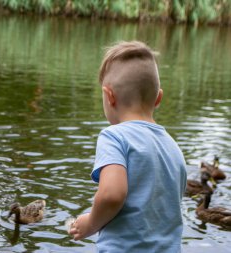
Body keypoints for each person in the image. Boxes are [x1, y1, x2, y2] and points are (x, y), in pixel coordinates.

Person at [68, 41, 187, 252]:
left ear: (109, 96)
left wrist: (90, 223)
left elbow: (111, 195)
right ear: (158, 98)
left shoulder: (114, 136)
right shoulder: (173, 147)